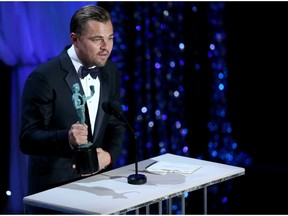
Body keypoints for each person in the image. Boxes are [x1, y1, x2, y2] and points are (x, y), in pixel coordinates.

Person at [19, 4, 126, 199]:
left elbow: (116, 123)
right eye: (97, 39)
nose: (106, 47)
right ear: (75, 39)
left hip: (100, 185)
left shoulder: (110, 71)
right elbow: (28, 139)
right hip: (53, 190)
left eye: (110, 38)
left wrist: (109, 155)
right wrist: (66, 138)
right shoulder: (44, 77)